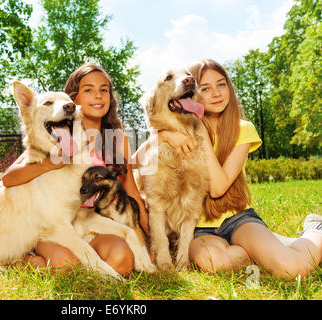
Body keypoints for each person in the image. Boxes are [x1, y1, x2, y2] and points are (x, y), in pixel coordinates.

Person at [132, 58, 322, 280]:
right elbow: (133, 162)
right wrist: (163, 134)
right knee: (211, 263)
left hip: (238, 219)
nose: (216, 93)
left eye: (221, 84)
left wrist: (199, 130)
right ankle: (259, 249)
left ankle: (315, 230)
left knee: (292, 268)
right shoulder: (176, 129)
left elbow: (218, 188)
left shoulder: (242, 129)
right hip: (200, 230)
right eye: (205, 88)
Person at [2, 63, 149, 276]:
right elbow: (9, 178)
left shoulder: (117, 139)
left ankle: (84, 260)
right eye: (88, 90)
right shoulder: (57, 134)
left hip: (93, 223)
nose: (98, 96)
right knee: (65, 265)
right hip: (55, 227)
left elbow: (132, 193)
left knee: (122, 260)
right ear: (73, 101)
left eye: (104, 90)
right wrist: (49, 163)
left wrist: (146, 240)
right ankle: (25, 259)